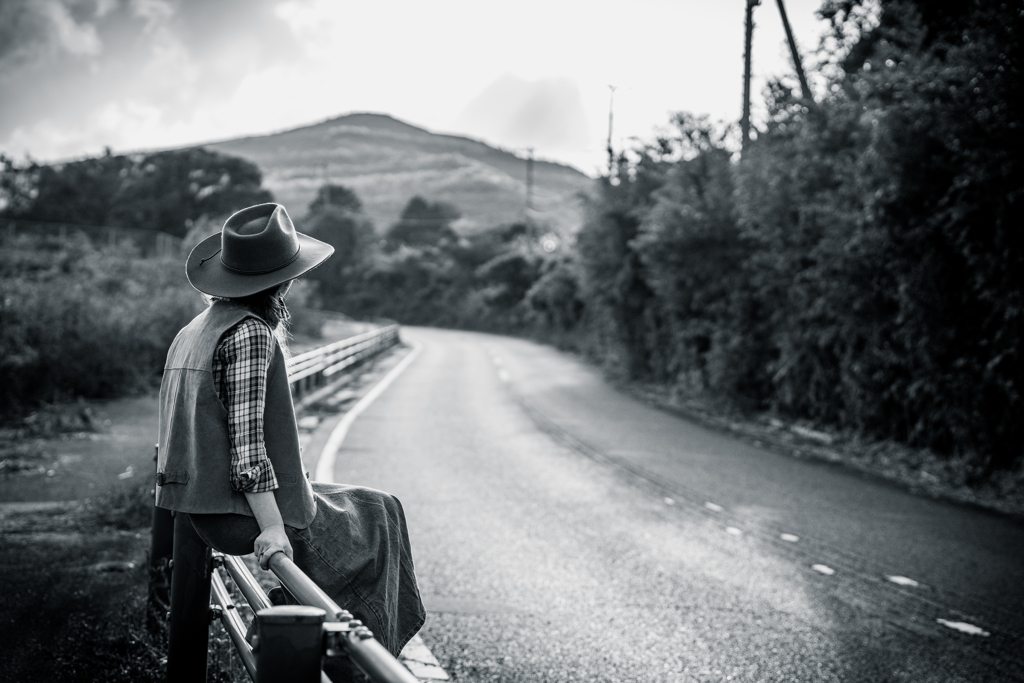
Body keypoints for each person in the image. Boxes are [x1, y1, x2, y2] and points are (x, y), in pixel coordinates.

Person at [155, 203, 425, 674]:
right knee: (380, 519)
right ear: (283, 279)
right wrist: (273, 529)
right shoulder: (251, 333)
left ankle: (335, 644)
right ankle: (369, 666)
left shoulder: (194, 330)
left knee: (381, 505)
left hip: (201, 509)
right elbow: (248, 449)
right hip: (238, 515)